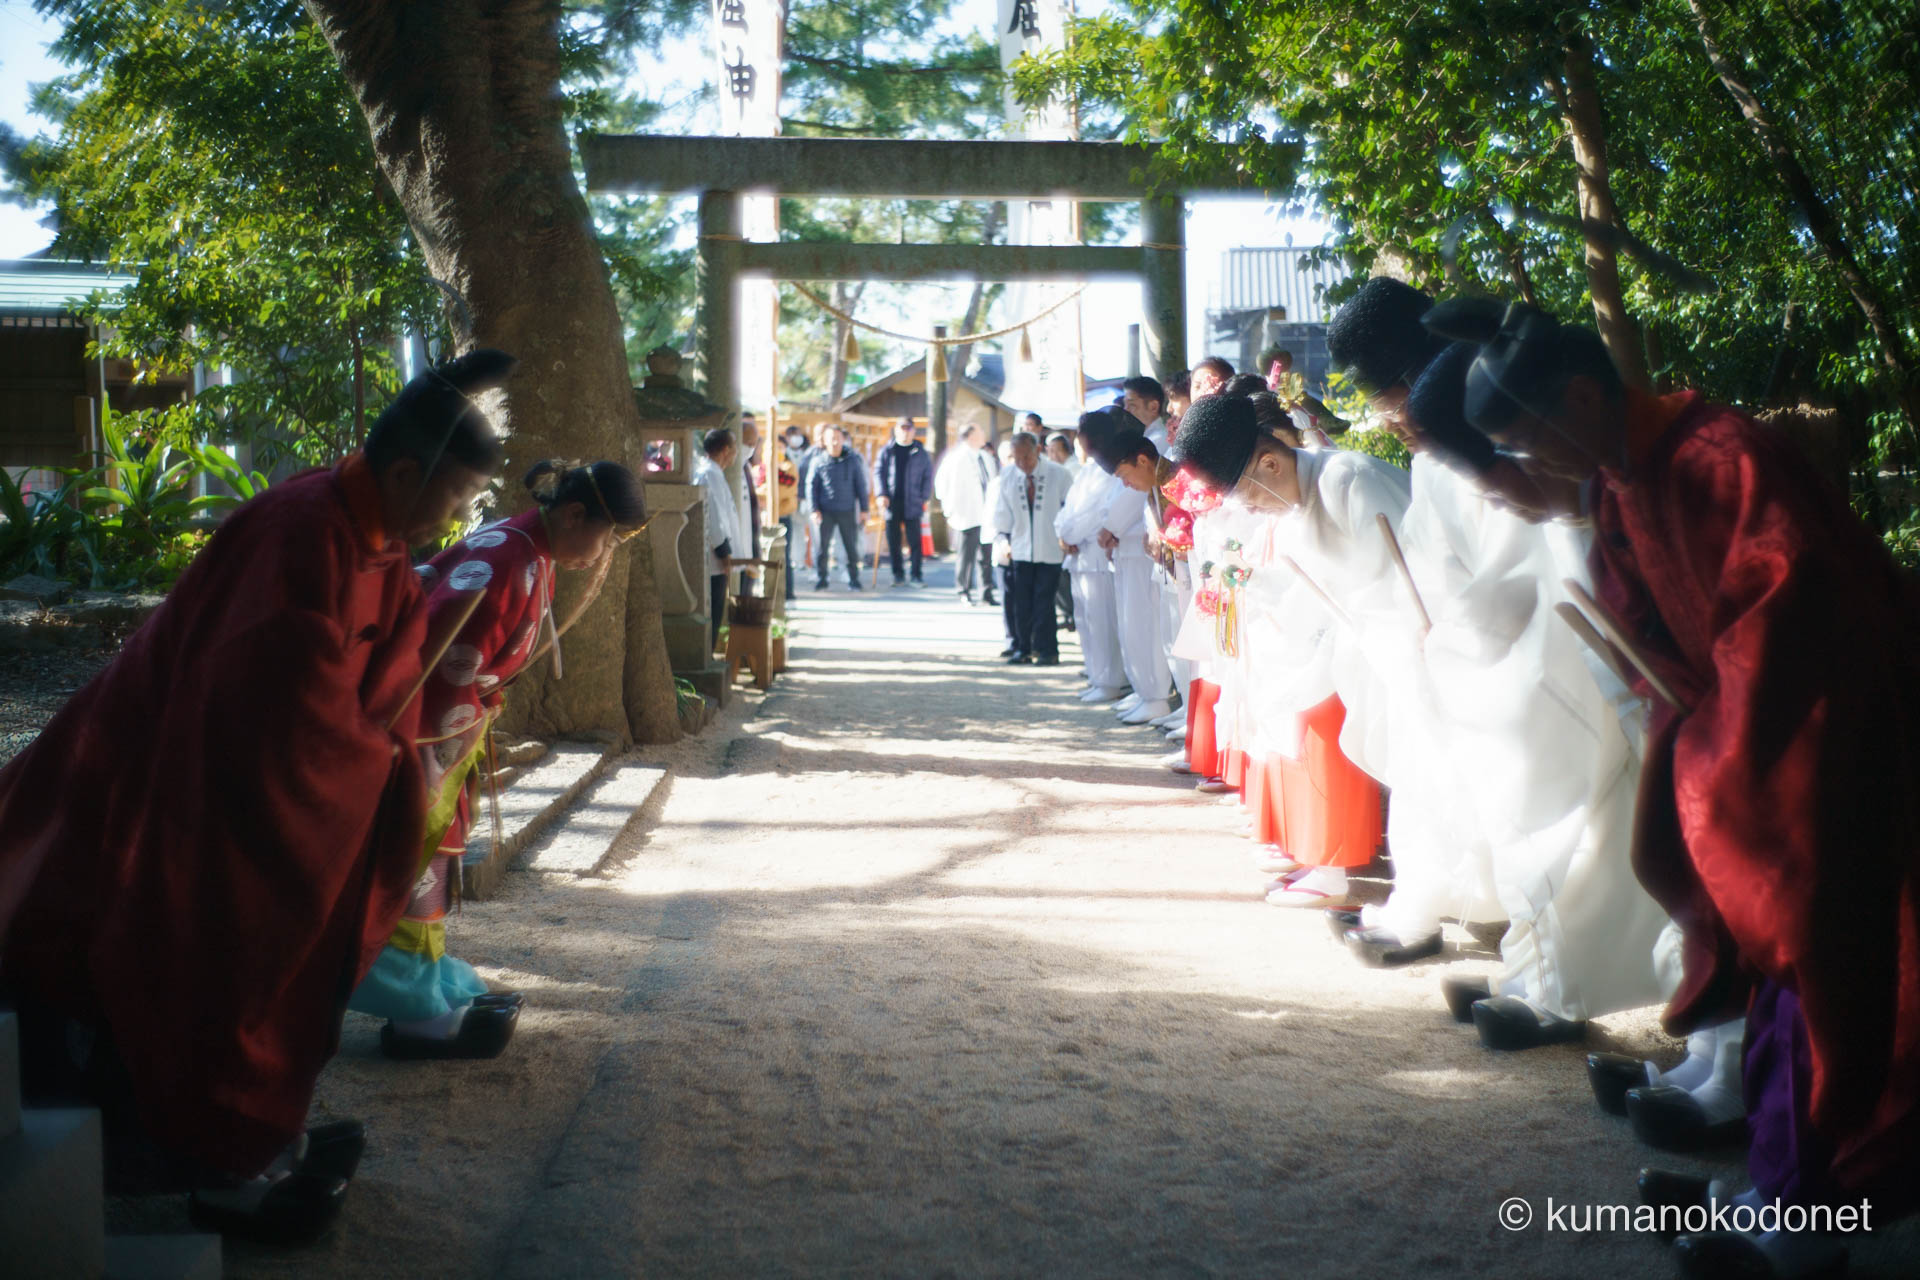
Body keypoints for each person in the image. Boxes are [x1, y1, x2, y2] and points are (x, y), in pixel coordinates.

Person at [1440, 298, 1920, 1279]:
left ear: (1582, 394)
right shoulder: (1620, 484)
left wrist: (1718, 747)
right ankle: (1781, 1190)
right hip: (1754, 742)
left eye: (1532, 441)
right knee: (1778, 985)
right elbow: (1648, 631)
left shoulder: (1720, 455)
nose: (1532, 472)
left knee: (1827, 981)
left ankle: (1799, 1220)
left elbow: (1793, 614)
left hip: (1834, 741)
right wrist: (1689, 731)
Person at [0, 349, 511, 1242]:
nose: (456, 522)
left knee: (257, 979)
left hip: (243, 797)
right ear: (403, 472)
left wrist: (389, 751)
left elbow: (382, 679)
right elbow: (276, 710)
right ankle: (218, 1168)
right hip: (171, 798)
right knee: (199, 978)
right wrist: (381, 764)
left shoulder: (376, 534)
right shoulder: (299, 532)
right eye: (456, 499)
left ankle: (244, 1147)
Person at [350, 459, 646, 1061]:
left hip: (446, 726)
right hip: (424, 731)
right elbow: (433, 656)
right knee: (410, 858)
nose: (605, 551)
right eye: (606, 534)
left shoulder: (525, 549)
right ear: (572, 514)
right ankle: (412, 1004)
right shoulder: (509, 559)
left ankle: (421, 987)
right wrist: (449, 732)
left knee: (420, 860)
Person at [1171, 390, 1411, 908]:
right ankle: (1413, 898)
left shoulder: (1347, 480)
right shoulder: (1293, 503)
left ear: (1271, 462)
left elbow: (1403, 581)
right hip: (1356, 653)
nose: (1254, 510)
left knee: (1418, 774)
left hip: (1404, 653)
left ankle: (1423, 903)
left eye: (1249, 496)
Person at [1104, 376, 1175, 726]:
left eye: (1133, 404)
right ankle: (1147, 691)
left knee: (1151, 625)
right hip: (1138, 541)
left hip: (1147, 541)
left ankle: (1156, 695)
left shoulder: (1158, 441)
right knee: (1138, 623)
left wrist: (1111, 526)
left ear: (1154, 405)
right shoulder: (1146, 438)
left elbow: (1136, 495)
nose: (1127, 410)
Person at [1056, 408, 1129, 701]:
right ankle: (1097, 675)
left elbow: (1094, 514)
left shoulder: (1109, 469)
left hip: (1097, 555)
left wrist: (1069, 534)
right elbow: (1066, 511)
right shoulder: (1087, 471)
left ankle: (1111, 680)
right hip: (1079, 557)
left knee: (1103, 622)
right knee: (1086, 621)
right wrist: (1062, 534)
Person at [990, 430, 1071, 665]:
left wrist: (1066, 536)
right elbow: (1001, 514)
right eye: (1017, 458)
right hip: (1020, 548)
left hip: (1050, 548)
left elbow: (1070, 509)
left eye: (1026, 457)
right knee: (1021, 602)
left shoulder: (1059, 474)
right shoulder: (1007, 476)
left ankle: (1048, 651)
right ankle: (1022, 648)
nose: (1022, 463)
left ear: (1037, 450)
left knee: (1044, 601)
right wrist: (1003, 540)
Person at [934, 423, 999, 605]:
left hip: (986, 514)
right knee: (966, 555)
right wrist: (950, 509)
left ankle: (986, 591)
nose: (983, 434)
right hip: (966, 513)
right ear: (970, 436)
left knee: (986, 556)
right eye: (980, 432)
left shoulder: (985, 456)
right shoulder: (955, 458)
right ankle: (964, 590)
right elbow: (942, 484)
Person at [807, 424, 869, 591]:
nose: (834, 442)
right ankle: (821, 578)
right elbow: (811, 486)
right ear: (824, 441)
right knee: (822, 548)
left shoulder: (853, 460)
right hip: (825, 510)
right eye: (830, 438)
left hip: (847, 509)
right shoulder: (818, 461)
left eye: (837, 438)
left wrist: (864, 509)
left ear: (843, 439)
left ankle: (854, 578)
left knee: (850, 547)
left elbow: (861, 486)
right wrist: (814, 509)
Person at [875, 417, 934, 587]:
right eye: (902, 427)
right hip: (891, 502)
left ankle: (916, 575)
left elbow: (927, 476)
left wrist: (923, 497)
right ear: (896, 429)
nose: (905, 431)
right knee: (893, 541)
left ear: (914, 431)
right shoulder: (887, 450)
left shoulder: (920, 452)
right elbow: (879, 473)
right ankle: (897, 574)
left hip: (913, 502)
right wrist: (881, 494)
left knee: (915, 541)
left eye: (909, 428)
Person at [695, 428, 741, 645]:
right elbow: (713, 515)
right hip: (714, 555)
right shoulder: (709, 473)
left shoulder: (714, 472)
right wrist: (723, 550)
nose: (736, 453)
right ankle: (708, 653)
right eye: (734, 448)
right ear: (725, 450)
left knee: (716, 610)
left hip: (717, 553)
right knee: (712, 611)